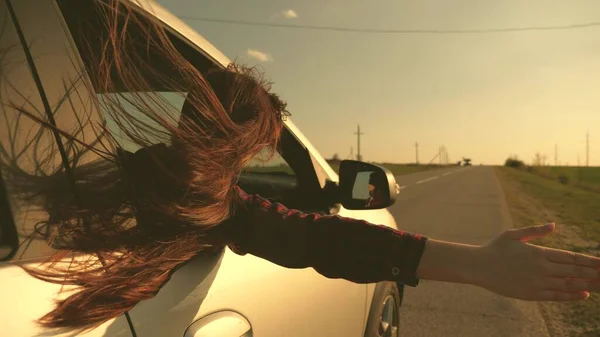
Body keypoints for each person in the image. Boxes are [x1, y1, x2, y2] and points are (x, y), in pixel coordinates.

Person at [2, 1, 600, 333]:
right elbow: (320, 238)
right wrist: (480, 265)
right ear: (231, 150)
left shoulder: (97, 179)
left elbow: (318, 238)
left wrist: (481, 263)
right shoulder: (200, 208)